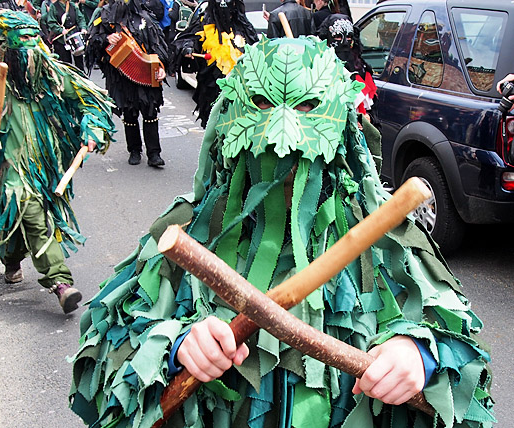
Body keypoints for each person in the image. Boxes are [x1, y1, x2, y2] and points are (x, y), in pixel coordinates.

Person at [69, 36, 495, 427]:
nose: (282, 135)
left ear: (344, 122)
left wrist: (418, 355)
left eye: (309, 107)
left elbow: (463, 357)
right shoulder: (185, 229)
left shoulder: (389, 239)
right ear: (230, 116)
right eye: (260, 103)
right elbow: (106, 348)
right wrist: (174, 345)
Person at [0, 10, 116, 314]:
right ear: (3, 42)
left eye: (36, 38)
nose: (32, 46)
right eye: (24, 39)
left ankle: (11, 257)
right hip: (6, 168)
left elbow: (86, 98)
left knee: (22, 222)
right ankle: (60, 283)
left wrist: (92, 127)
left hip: (42, 165)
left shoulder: (45, 71)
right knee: (31, 213)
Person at [86, 0, 170, 167]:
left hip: (146, 72)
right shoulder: (103, 16)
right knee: (129, 113)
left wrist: (161, 66)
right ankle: (134, 150)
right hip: (120, 75)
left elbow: (158, 44)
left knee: (150, 111)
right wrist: (106, 38)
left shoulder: (145, 15)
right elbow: (91, 42)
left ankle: (154, 153)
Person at [171, 0, 258, 128]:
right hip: (212, 87)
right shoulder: (204, 23)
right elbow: (187, 38)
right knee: (213, 128)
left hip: (239, 87)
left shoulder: (242, 25)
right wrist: (188, 47)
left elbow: (255, 46)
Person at [318, 13, 381, 171]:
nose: (345, 43)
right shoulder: (320, 66)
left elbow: (370, 108)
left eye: (349, 37)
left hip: (359, 141)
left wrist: (366, 119)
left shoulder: (362, 68)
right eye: (338, 37)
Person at [46, 0, 87, 70]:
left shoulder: (73, 5)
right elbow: (51, 23)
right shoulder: (54, 7)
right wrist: (61, 30)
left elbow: (80, 18)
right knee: (65, 63)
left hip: (74, 35)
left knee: (79, 63)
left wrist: (83, 28)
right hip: (62, 39)